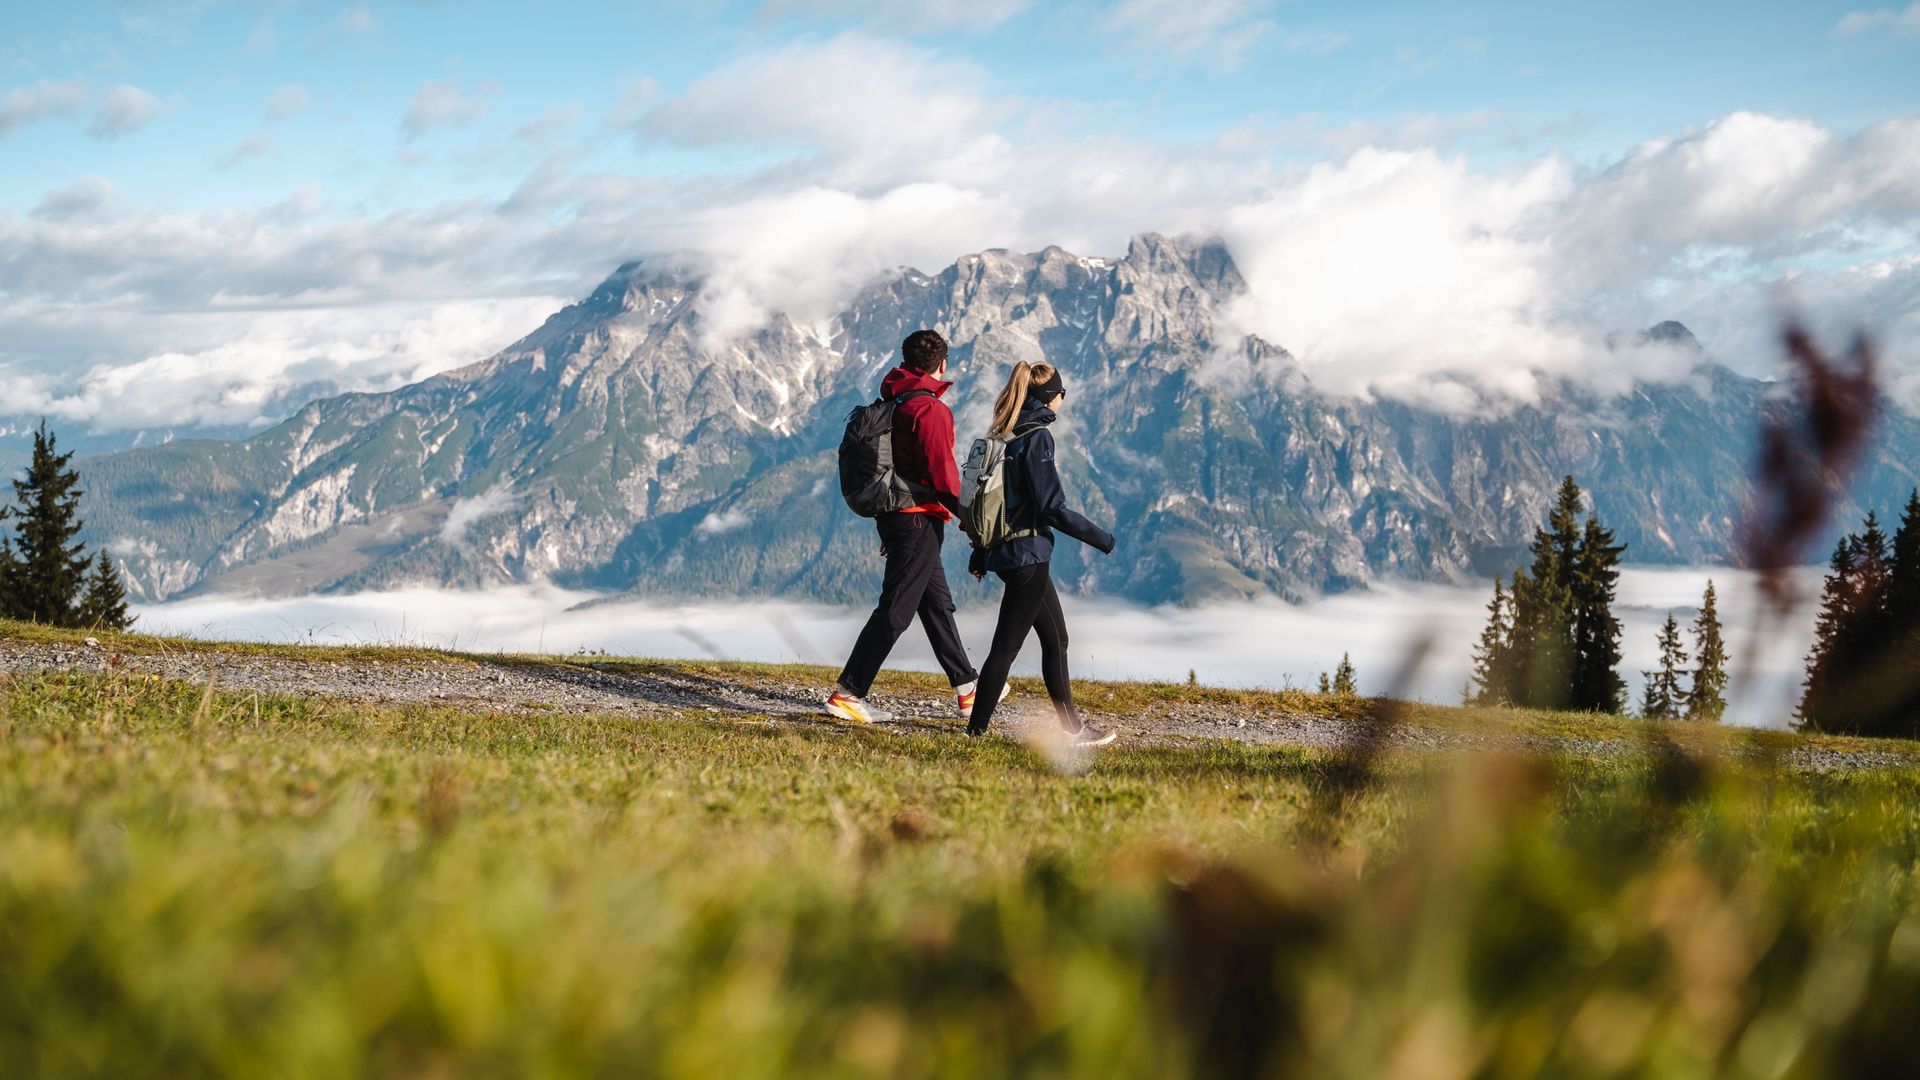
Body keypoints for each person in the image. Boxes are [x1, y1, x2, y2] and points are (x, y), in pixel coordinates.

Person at [825, 330, 994, 724]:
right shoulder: (930, 410)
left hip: (898, 516)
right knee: (896, 609)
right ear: (943, 364)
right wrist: (971, 520)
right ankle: (847, 693)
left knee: (936, 605)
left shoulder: (893, 400)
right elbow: (943, 475)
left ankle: (968, 689)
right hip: (917, 517)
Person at [965, 360, 1116, 745]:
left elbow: (991, 502)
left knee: (1056, 640)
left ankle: (1072, 728)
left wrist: (981, 554)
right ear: (1052, 398)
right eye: (1063, 393)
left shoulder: (1006, 432)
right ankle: (976, 732)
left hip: (1010, 553)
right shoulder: (1037, 438)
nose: (1064, 399)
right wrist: (1100, 538)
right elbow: (1051, 506)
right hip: (1027, 554)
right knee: (1006, 647)